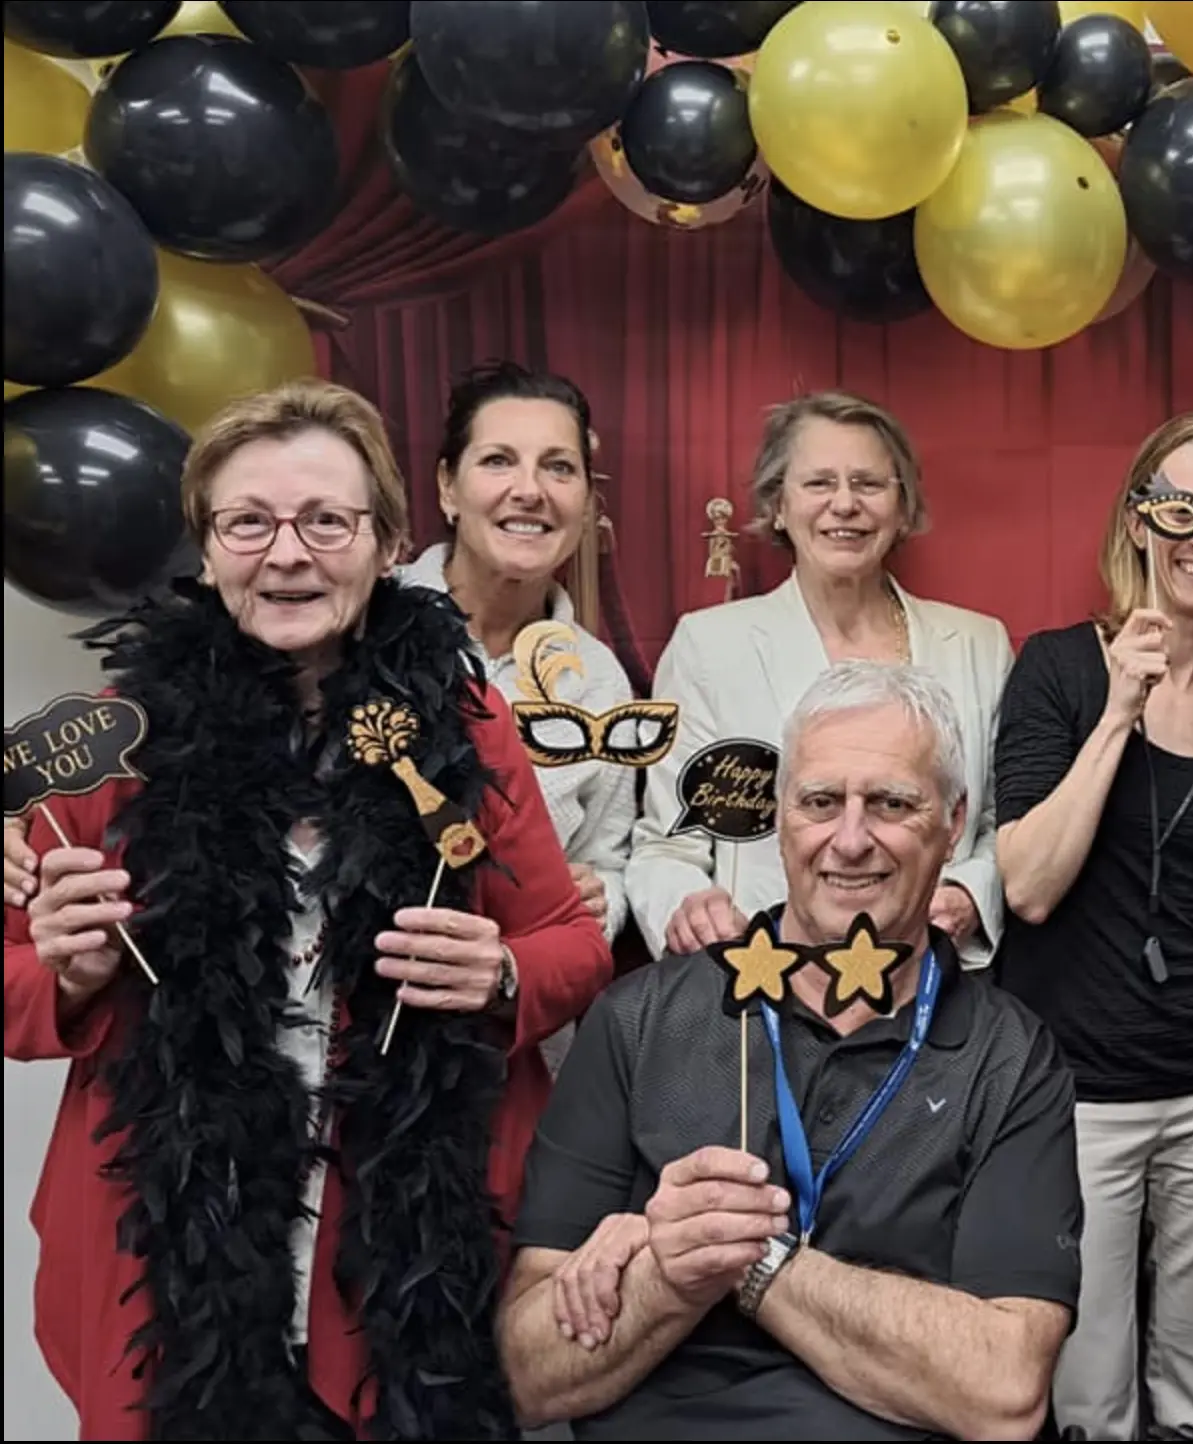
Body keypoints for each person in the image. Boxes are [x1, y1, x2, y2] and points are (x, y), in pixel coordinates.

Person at [2, 380, 613, 1440]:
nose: (288, 553)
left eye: (327, 520)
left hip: (396, 1252)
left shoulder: (467, 727)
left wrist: (501, 973)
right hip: (170, 1254)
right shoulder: (116, 739)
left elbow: (571, 944)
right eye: (249, 521)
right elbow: (12, 978)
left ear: (385, 544)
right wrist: (64, 973)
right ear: (205, 545)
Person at [500, 662, 1081, 1440]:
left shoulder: (1009, 1058)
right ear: (778, 818)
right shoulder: (640, 1020)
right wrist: (667, 1281)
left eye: (891, 803)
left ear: (953, 822)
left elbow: (1004, 1393)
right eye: (819, 802)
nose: (849, 840)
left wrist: (746, 1257)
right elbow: (527, 1376)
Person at [994, 412, 1193, 1441]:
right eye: (1179, 509)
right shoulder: (1057, 670)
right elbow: (1028, 884)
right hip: (1077, 1089)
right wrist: (1120, 709)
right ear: (1137, 523)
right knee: (1086, 1387)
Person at [626, 391, 1012, 970]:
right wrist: (687, 908)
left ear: (902, 507)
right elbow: (666, 843)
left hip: (931, 979)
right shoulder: (709, 647)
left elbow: (997, 825)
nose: (845, 504)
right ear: (778, 504)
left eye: (869, 483)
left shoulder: (981, 645)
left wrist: (970, 896)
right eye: (818, 483)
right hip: (761, 985)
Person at [398, 361, 656, 1070]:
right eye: (498, 461)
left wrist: (606, 899)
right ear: (448, 487)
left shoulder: (598, 679)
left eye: (559, 468)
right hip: (369, 1031)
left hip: (515, 1055)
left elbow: (609, 858)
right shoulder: (366, 630)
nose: (530, 491)